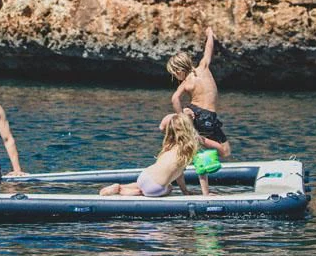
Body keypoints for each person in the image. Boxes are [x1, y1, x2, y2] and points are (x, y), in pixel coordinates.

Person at [165, 27, 231, 197]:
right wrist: (210, 35)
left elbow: (174, 98)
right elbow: (208, 49)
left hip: (205, 116)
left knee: (224, 151)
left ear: (179, 71)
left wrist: (182, 116)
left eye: (174, 75)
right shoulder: (204, 66)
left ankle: (198, 140)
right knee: (205, 153)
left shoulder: (186, 82)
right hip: (203, 115)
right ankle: (205, 193)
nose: (176, 78)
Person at [99, 113, 199, 198]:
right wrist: (185, 191)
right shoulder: (186, 151)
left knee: (143, 185)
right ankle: (123, 191)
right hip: (155, 187)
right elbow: (179, 174)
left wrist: (178, 114)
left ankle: (120, 187)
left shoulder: (169, 147)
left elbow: (162, 126)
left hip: (144, 176)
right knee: (168, 188)